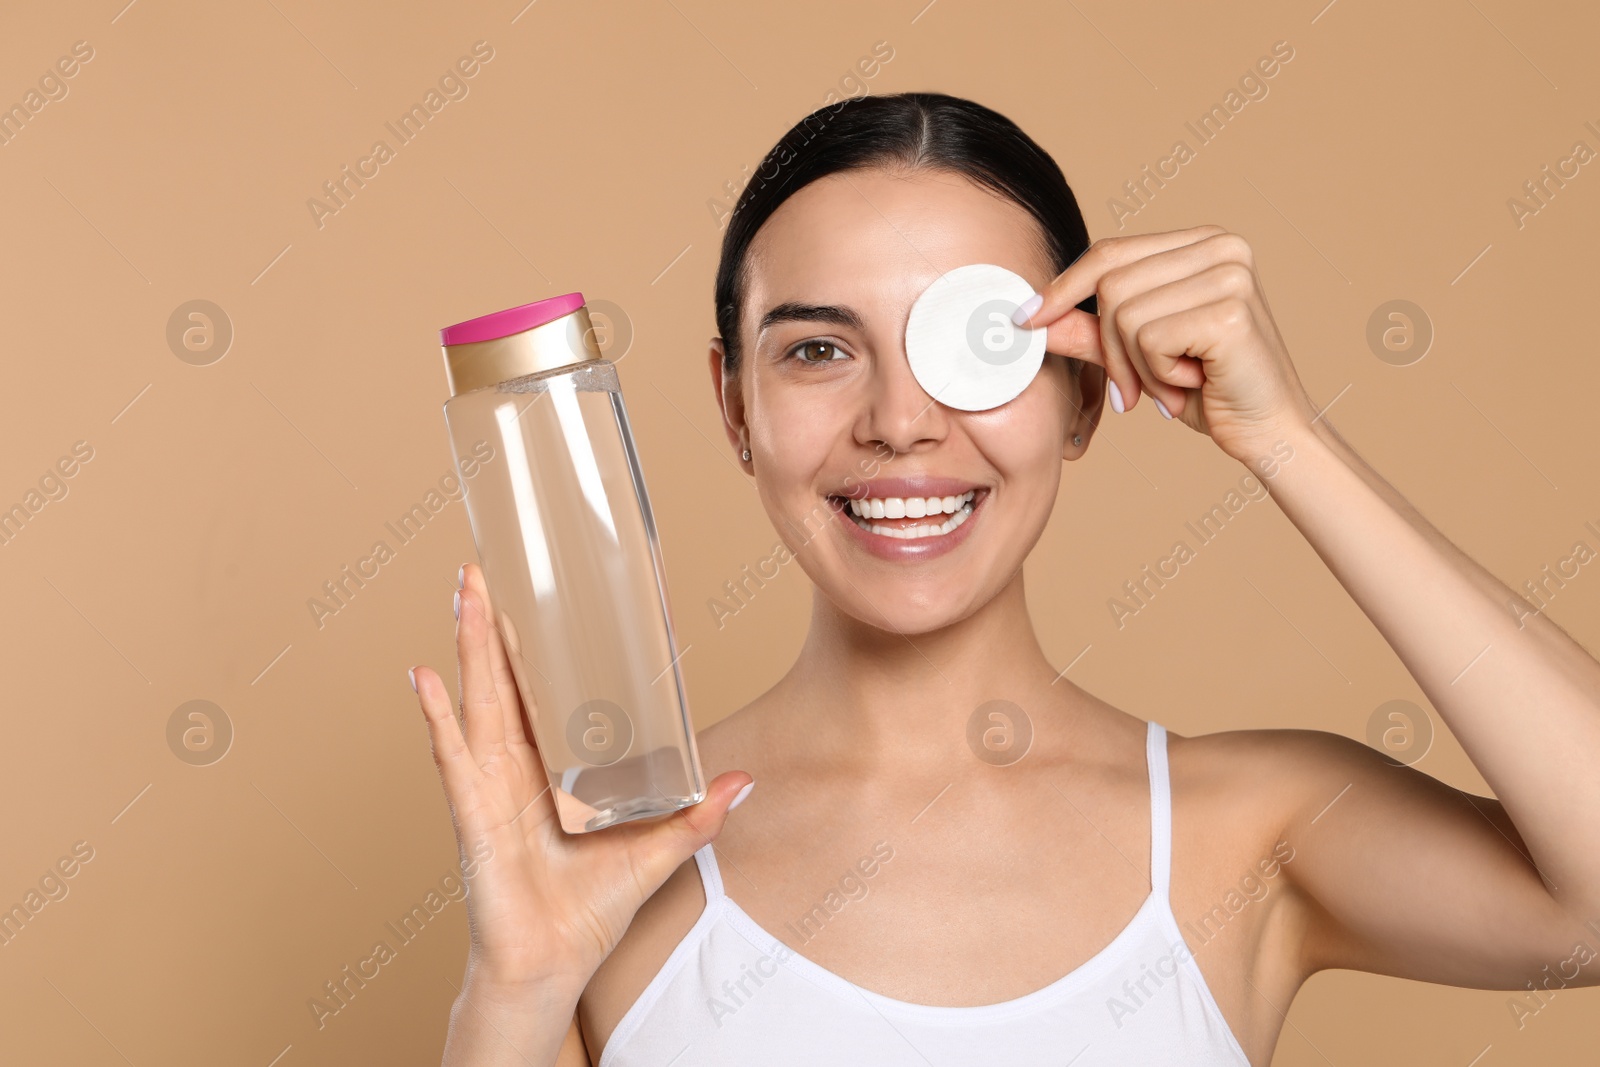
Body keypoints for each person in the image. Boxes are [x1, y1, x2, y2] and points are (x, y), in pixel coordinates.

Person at [406, 92, 1600, 1066]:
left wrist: (1282, 433)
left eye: (971, 347)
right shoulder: (610, 872)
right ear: (733, 403)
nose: (900, 422)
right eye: (819, 349)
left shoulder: (1249, 833)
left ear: (1081, 393)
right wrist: (514, 990)